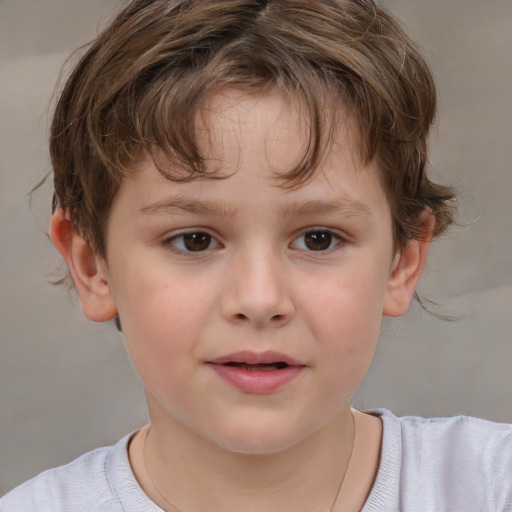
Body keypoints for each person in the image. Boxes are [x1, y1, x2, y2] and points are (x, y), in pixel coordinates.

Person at [1, 0, 511, 510]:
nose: (260, 299)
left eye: (318, 239)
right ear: (93, 266)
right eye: (194, 240)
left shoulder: (490, 485)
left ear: (401, 262)